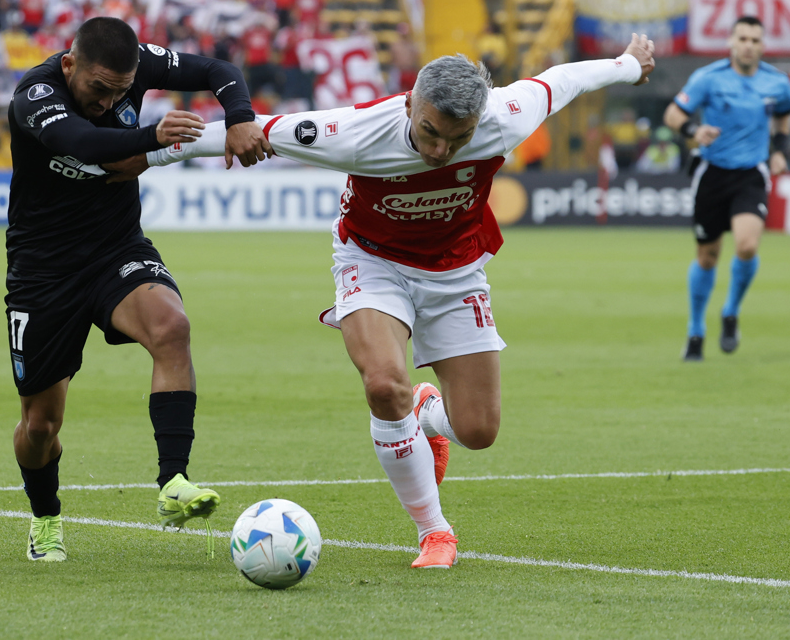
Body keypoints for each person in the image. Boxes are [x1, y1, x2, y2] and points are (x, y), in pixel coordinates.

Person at [135, 34, 655, 568]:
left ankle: (427, 413)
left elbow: (563, 81)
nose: (438, 151)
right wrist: (137, 151)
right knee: (385, 385)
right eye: (429, 132)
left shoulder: (506, 117)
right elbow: (242, 131)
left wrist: (625, 64)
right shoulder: (355, 132)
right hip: (372, 263)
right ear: (410, 102)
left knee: (478, 431)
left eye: (457, 140)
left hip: (457, 270)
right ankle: (435, 531)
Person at [5, 16, 271, 562]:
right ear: (70, 63)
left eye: (120, 92)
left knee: (172, 327)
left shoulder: (131, 65)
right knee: (40, 425)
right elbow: (79, 140)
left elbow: (220, 69)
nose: (107, 101)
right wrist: (155, 138)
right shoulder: (34, 95)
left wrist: (239, 118)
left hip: (115, 249)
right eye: (98, 89)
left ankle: (174, 481)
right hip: (43, 270)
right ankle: (46, 519)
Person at [663, 16, 790, 361]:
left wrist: (779, 150)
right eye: (743, 38)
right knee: (707, 256)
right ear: (731, 43)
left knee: (747, 245)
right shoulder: (708, 78)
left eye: (755, 39)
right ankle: (695, 330)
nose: (749, 45)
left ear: (762, 46)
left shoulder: (777, 83)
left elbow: (784, 114)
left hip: (751, 174)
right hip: (712, 174)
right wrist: (694, 130)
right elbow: (673, 115)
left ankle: (731, 311)